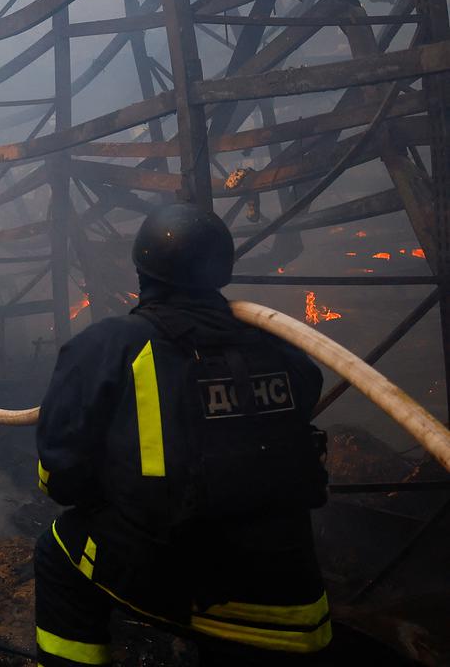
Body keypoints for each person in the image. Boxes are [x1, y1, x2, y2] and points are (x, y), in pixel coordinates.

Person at [34, 202, 332, 665]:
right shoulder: (278, 344)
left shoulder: (111, 345)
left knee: (58, 550)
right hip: (299, 602)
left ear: (141, 271)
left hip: (192, 585)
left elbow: (62, 479)